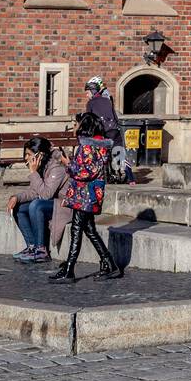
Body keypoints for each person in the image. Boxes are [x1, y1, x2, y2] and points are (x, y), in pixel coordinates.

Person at [48, 111, 123, 283]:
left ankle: (69, 270)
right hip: (88, 194)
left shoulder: (88, 146)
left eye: (77, 124)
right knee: (89, 230)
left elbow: (85, 172)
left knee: (76, 230)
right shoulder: (97, 145)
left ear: (85, 126)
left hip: (85, 194)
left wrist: (68, 165)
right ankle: (109, 263)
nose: (75, 127)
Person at [7, 136, 69, 263]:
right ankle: (32, 247)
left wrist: (34, 173)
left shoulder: (56, 168)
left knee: (36, 205)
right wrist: (16, 198)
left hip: (64, 205)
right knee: (19, 207)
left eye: (28, 155)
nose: (26, 158)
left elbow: (46, 195)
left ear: (39, 155)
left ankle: (41, 251)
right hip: (51, 203)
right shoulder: (42, 165)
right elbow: (34, 192)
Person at [85, 75, 134, 184]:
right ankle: (131, 179)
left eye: (87, 91)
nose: (86, 94)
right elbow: (115, 117)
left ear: (93, 91)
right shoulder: (108, 100)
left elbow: (90, 120)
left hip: (103, 132)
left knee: (98, 152)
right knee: (121, 153)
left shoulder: (91, 103)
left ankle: (98, 175)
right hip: (115, 130)